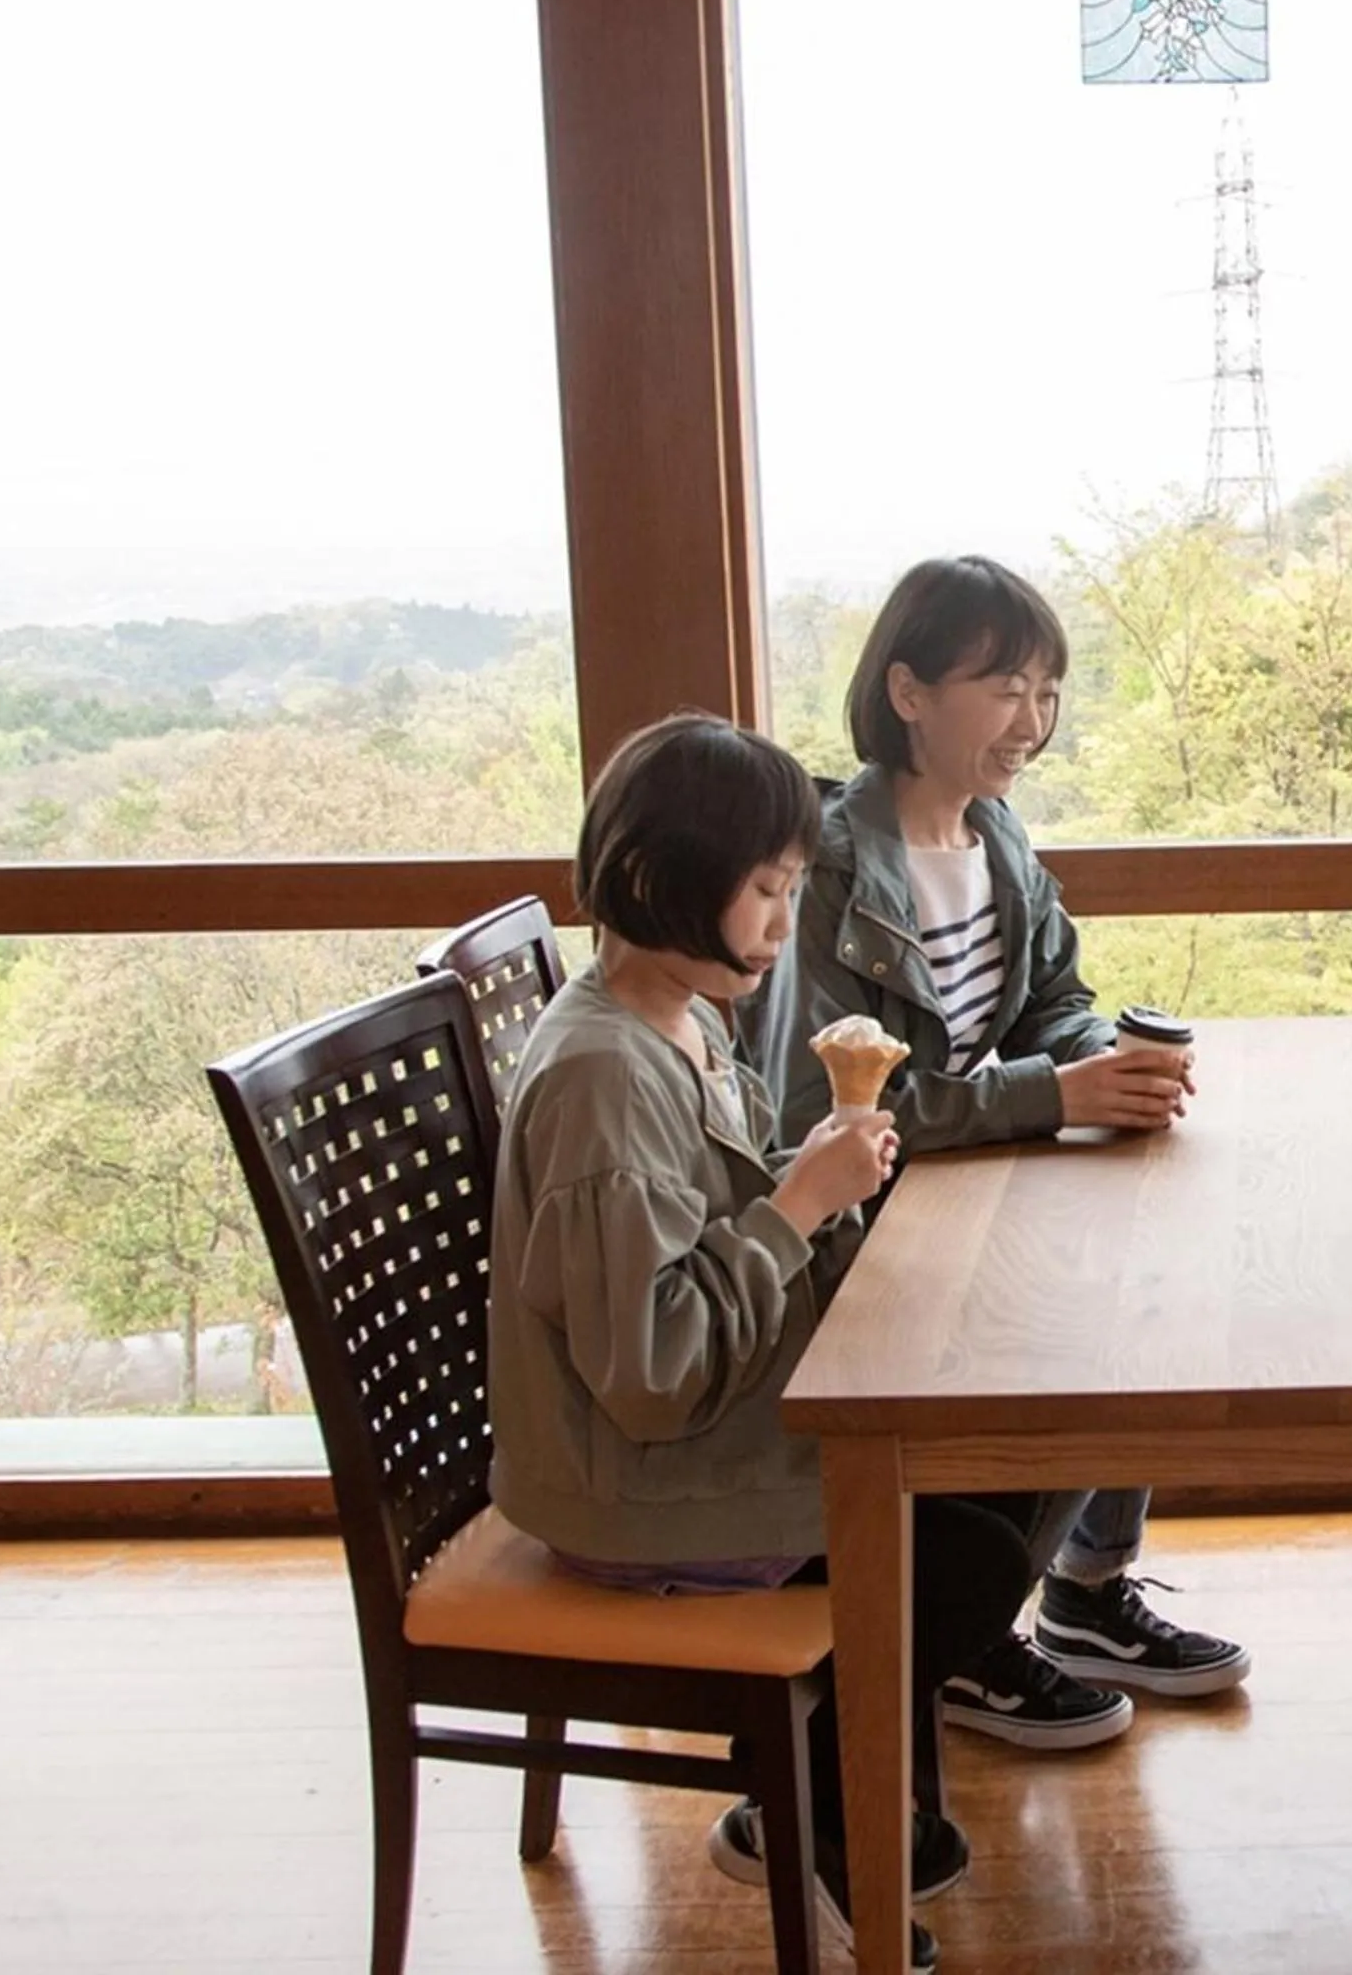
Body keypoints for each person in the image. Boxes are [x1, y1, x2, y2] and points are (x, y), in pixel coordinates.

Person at [488, 712, 1058, 1971]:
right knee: (958, 1556)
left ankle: (822, 1778)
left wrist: (823, 1196)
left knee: (1021, 1453)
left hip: (693, 1435)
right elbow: (653, 1378)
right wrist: (798, 1206)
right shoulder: (602, 1077)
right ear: (663, 877)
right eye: (765, 890)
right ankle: (817, 1811)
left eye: (795, 889)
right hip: (638, 1489)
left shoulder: (685, 1019)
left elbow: (720, 1254)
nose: (786, 924)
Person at [745, 556, 1249, 1751]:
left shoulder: (995, 834)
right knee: (1089, 1324)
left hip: (963, 1185)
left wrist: (1107, 1062)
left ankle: (1079, 1591)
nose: (1034, 722)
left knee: (1133, 1282)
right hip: (866, 1226)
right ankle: (973, 1636)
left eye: (1049, 692)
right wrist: (1052, 1090)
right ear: (908, 692)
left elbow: (1052, 1001)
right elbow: (827, 1111)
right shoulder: (824, 869)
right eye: (1006, 688)